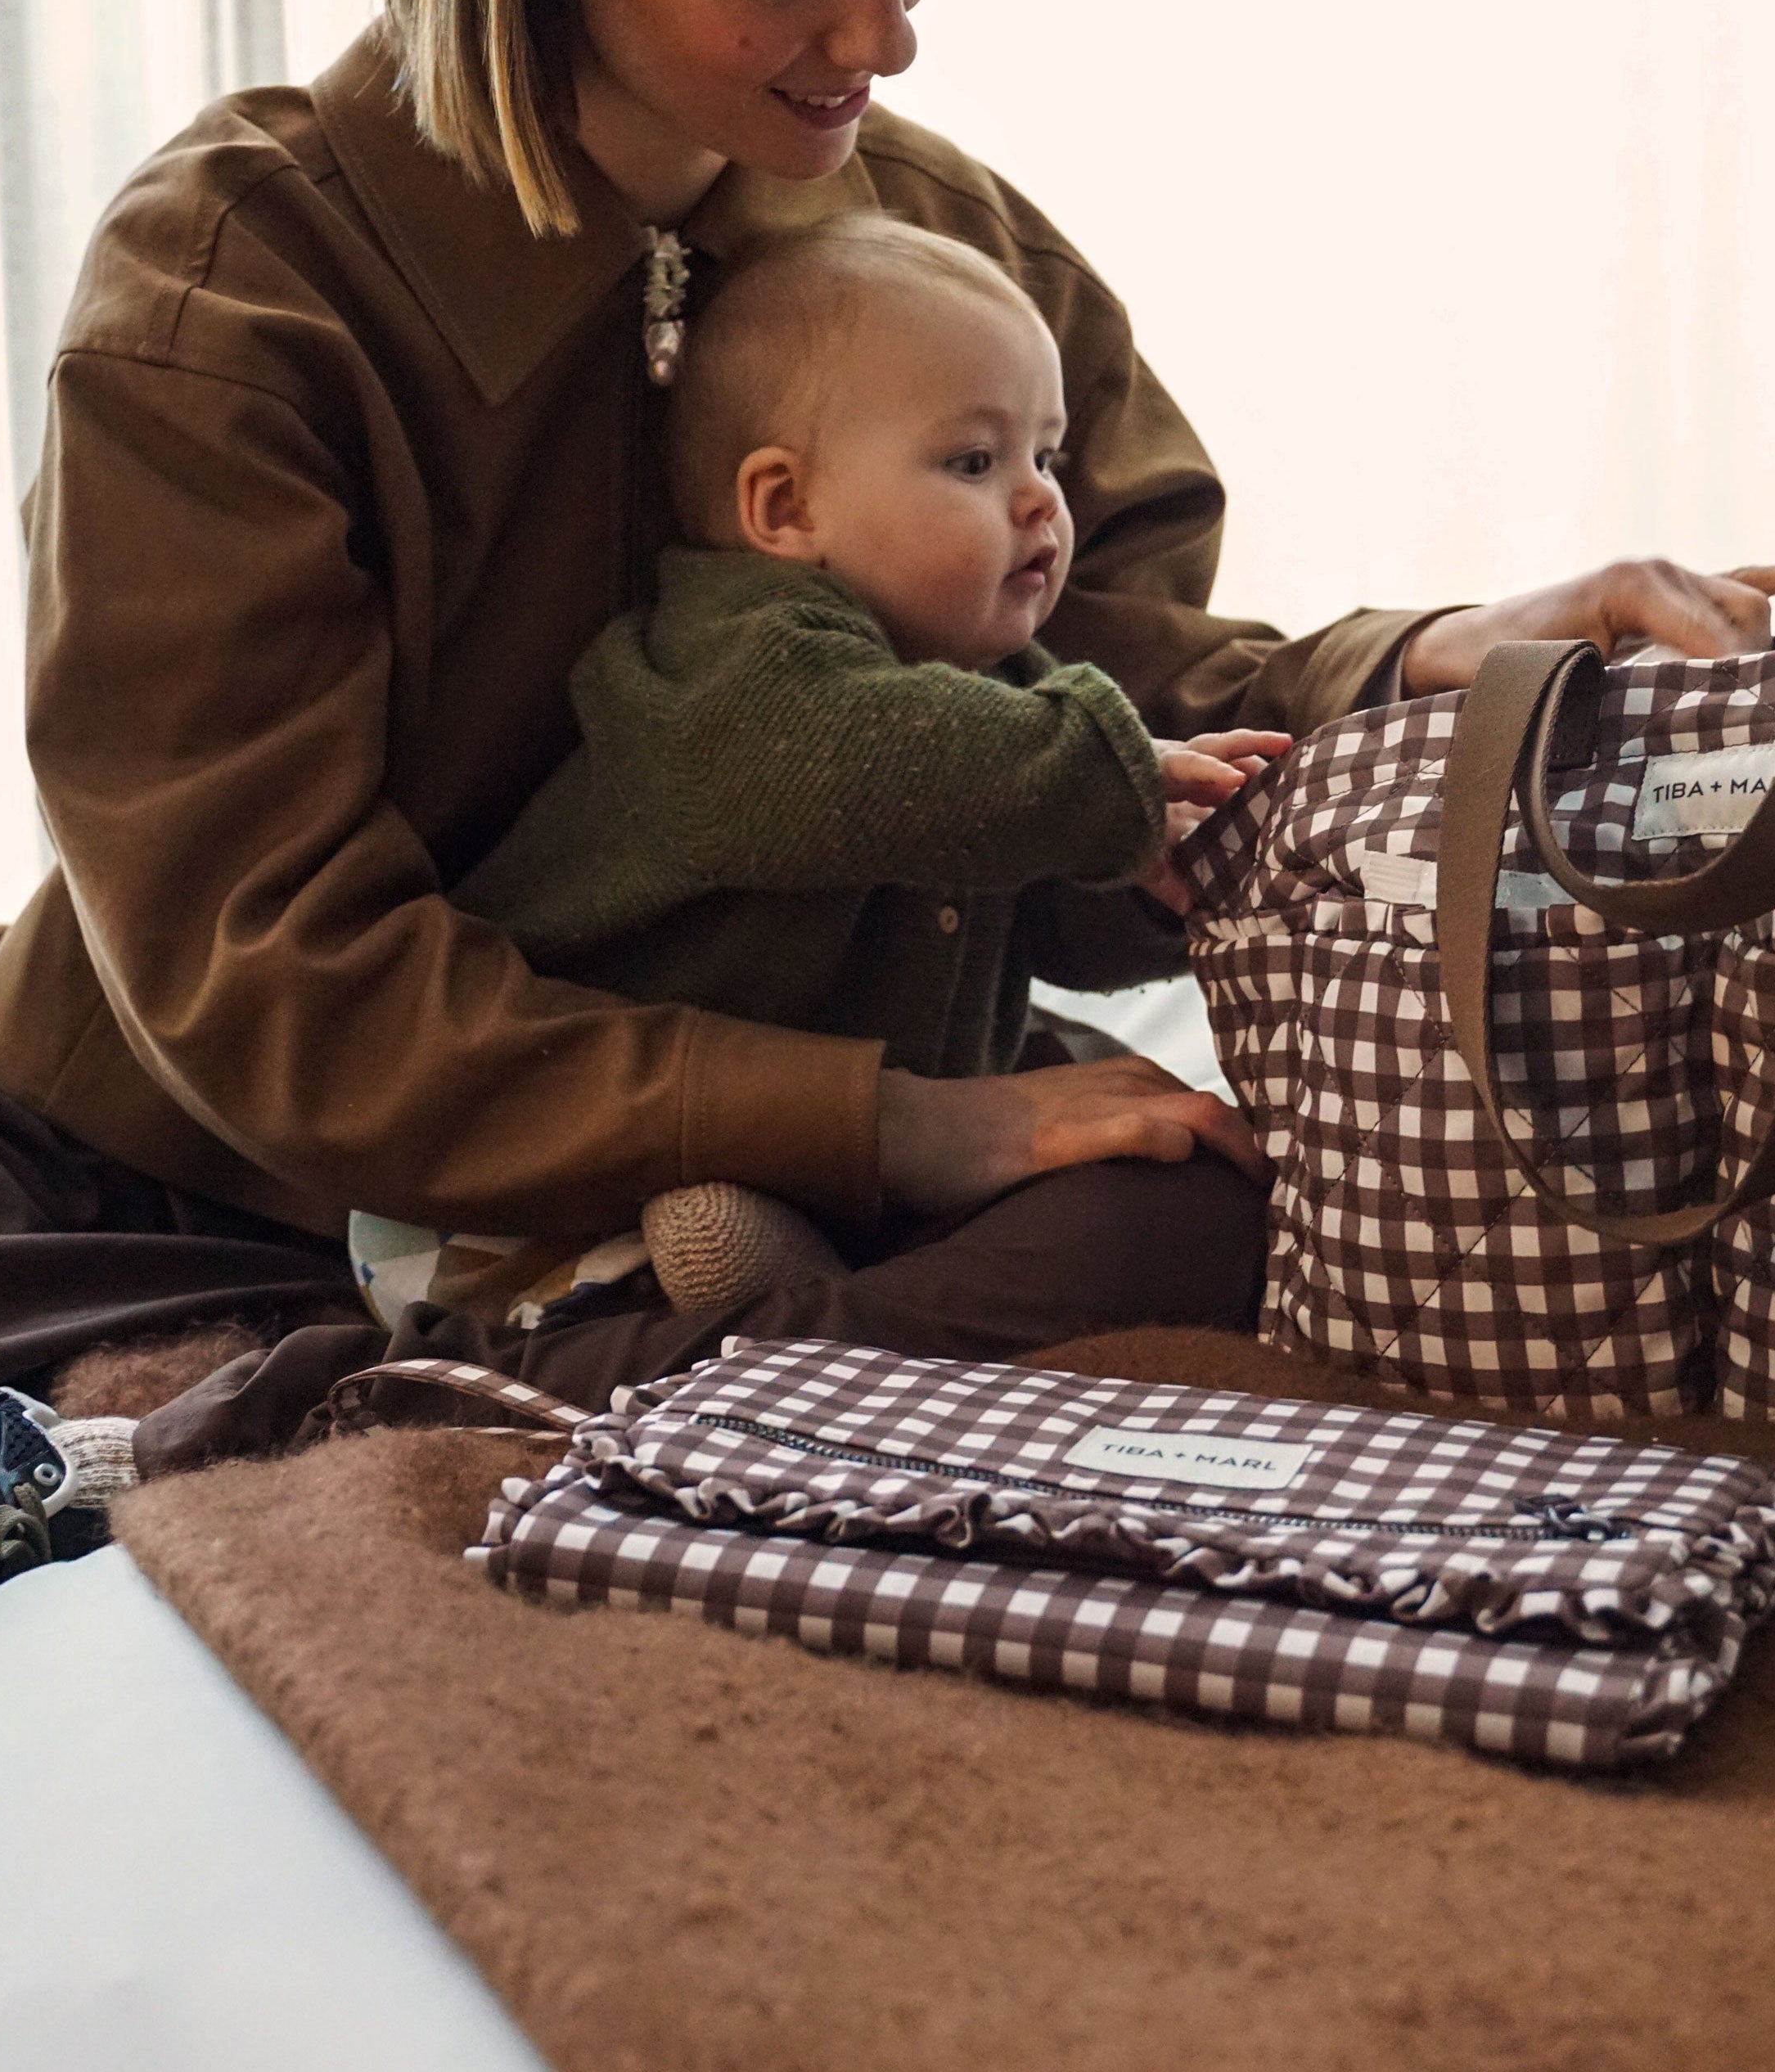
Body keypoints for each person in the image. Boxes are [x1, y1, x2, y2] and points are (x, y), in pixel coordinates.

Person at [0, 0, 1775, 1626]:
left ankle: (591, 1389)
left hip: (689, 1193)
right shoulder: (237, 287)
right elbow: (287, 995)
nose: (885, 26)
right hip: (173, 1183)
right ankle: (436, 1396)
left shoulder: (925, 234)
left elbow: (1094, 726)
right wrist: (909, 1129)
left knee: (1208, 1200)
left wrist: (1423, 658)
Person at [356, 212, 1292, 1335]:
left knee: (1192, 1175)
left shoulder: (992, 687)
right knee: (683, 1237)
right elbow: (883, 760)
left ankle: (811, 1316)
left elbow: (1034, 893)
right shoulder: (737, 664)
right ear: (785, 508)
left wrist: (1153, 885)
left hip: (873, 1157)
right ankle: (682, 1335)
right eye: (974, 460)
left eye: (1045, 453)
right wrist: (1111, 783)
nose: (1043, 499)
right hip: (571, 1179)